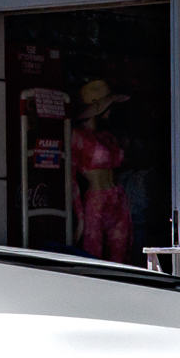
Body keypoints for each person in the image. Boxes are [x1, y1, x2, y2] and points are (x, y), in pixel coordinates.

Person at [70, 78, 132, 263]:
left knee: (121, 258)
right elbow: (70, 178)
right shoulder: (77, 135)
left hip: (118, 199)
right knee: (93, 256)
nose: (111, 110)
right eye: (108, 105)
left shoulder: (107, 137)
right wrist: (79, 218)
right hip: (96, 202)